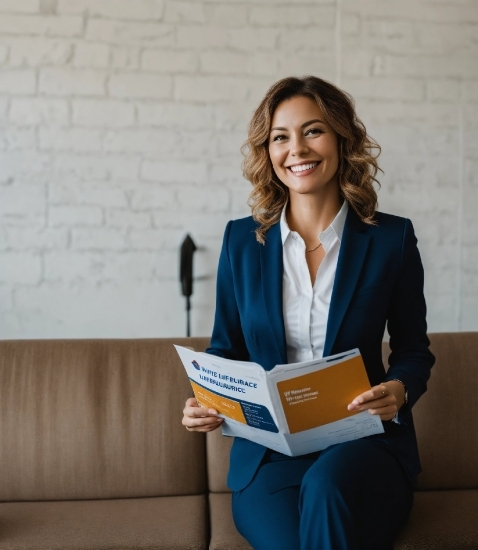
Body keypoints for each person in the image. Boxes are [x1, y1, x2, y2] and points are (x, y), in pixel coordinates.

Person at [182, 76, 435, 550]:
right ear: (268, 151)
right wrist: (208, 400)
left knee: (327, 487)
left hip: (365, 446)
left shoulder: (390, 240)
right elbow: (226, 348)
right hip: (270, 456)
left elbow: (413, 350)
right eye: (281, 137)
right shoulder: (242, 241)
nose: (296, 148)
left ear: (342, 139)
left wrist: (399, 390)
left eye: (313, 131)